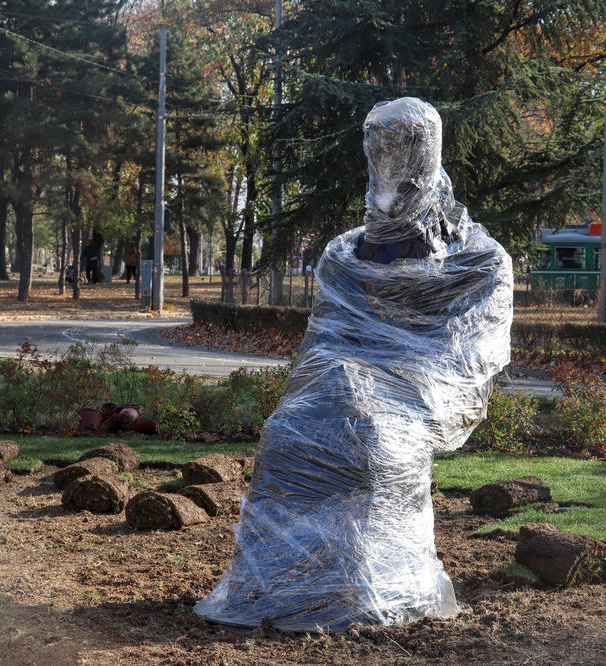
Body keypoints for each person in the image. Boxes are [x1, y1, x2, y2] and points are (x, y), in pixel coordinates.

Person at [194, 97, 513, 631]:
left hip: (404, 399)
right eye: (374, 140)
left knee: (366, 429)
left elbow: (467, 353)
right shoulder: (345, 254)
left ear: (425, 149)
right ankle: (271, 584)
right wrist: (344, 381)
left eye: (397, 141)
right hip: (341, 389)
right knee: (287, 429)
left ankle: (369, 586)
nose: (383, 152)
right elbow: (323, 347)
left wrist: (385, 385)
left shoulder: (476, 258)